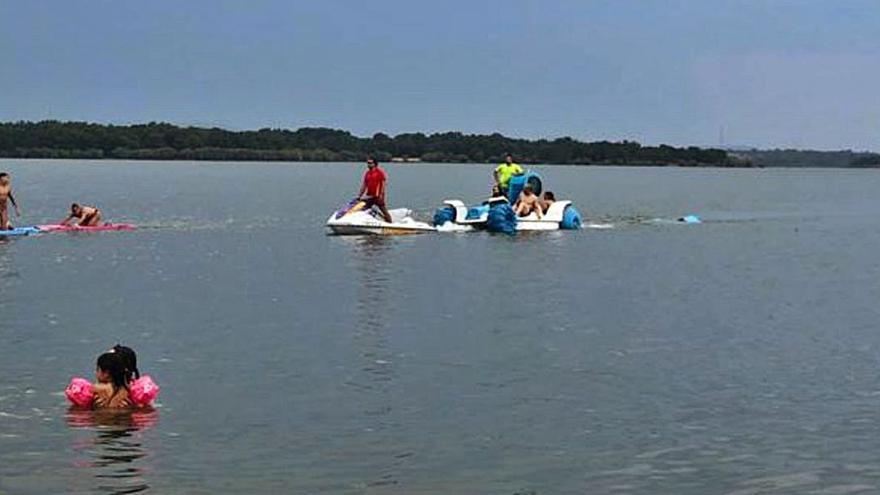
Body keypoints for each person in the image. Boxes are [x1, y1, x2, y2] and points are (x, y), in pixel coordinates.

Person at [358, 157, 393, 223]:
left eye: (370, 163)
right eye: (368, 163)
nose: (368, 165)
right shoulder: (367, 173)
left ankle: (390, 223)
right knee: (363, 208)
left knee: (383, 209)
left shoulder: (380, 173)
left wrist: (381, 195)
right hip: (369, 196)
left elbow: (383, 184)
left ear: (374, 164)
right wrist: (359, 196)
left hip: (378, 196)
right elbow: (364, 185)